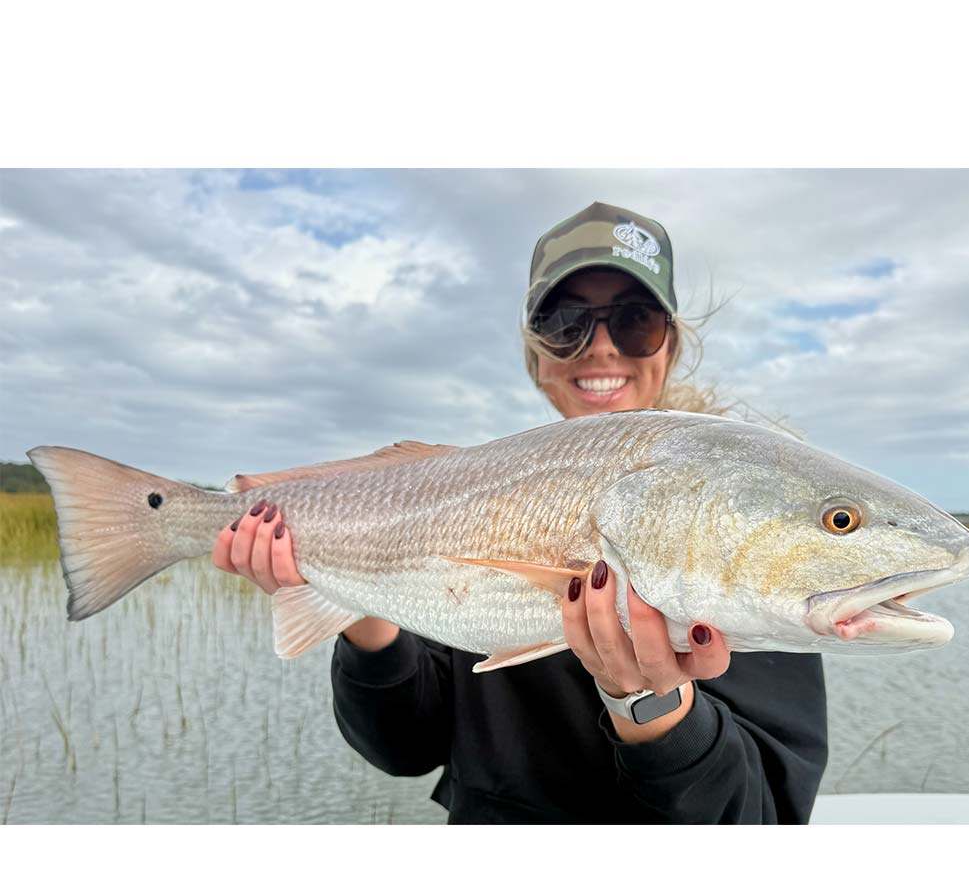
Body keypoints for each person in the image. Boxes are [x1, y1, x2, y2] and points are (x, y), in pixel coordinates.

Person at [212, 202, 828, 824]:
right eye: (565, 323)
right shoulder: (473, 496)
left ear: (668, 345)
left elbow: (762, 818)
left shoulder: (742, 522)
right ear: (536, 357)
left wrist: (653, 707)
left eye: (635, 321)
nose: (602, 348)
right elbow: (405, 748)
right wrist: (355, 604)